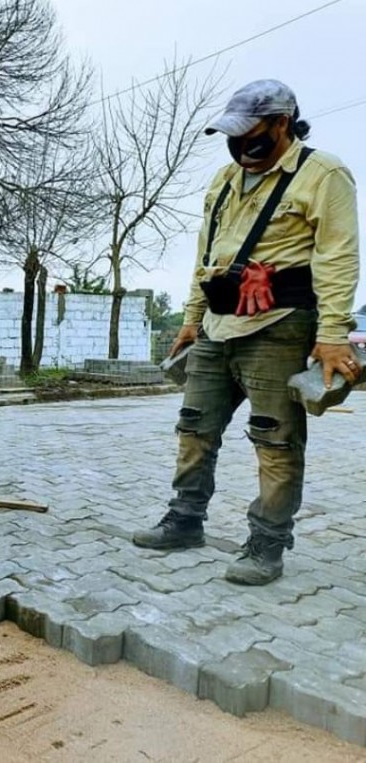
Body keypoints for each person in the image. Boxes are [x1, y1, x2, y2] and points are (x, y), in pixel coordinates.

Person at [133, 80, 360, 586]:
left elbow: (338, 257)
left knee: (275, 441)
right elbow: (206, 255)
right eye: (232, 136)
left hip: (279, 325)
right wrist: (192, 318)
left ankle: (267, 544)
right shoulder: (224, 179)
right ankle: (184, 520)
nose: (240, 146)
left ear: (282, 123)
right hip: (217, 326)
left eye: (250, 134)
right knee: (194, 428)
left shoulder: (323, 174)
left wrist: (332, 333)